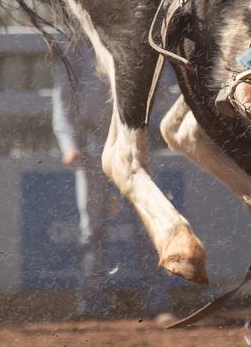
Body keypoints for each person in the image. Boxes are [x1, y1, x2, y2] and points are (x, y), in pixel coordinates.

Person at [52, 50, 179, 320]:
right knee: (94, 228)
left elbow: (163, 87)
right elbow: (62, 99)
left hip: (131, 137)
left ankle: (155, 299)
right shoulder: (78, 48)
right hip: (97, 142)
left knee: (143, 225)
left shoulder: (121, 40)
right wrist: (69, 144)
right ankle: (94, 301)